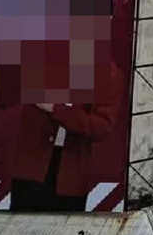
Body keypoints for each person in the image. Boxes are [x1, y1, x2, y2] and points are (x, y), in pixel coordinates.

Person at [9, 54, 122, 212]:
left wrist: (56, 109)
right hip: (31, 168)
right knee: (21, 230)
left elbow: (101, 128)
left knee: (64, 232)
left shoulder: (107, 72)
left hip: (70, 176)